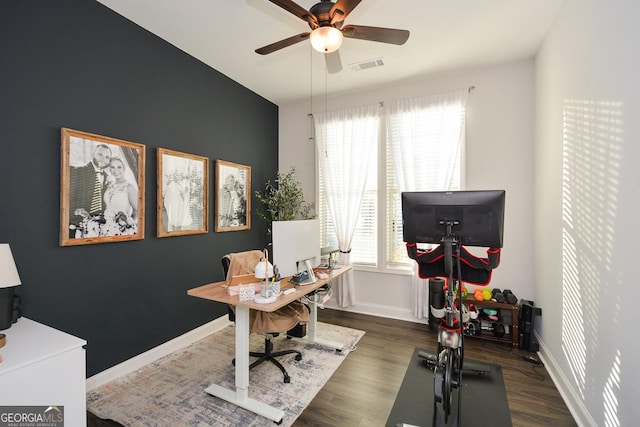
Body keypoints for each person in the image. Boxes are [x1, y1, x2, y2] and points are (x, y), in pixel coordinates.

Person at [68, 144, 112, 235]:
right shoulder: (77, 171)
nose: (103, 158)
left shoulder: (107, 177)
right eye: (100, 154)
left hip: (99, 227)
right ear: (93, 154)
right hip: (77, 225)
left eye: (107, 157)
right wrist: (73, 212)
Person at [101, 157, 138, 236]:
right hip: (105, 228)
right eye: (112, 167)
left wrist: (127, 226)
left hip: (121, 230)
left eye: (119, 167)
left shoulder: (129, 187)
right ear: (109, 169)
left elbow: (137, 211)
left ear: (124, 168)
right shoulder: (109, 186)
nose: (116, 170)